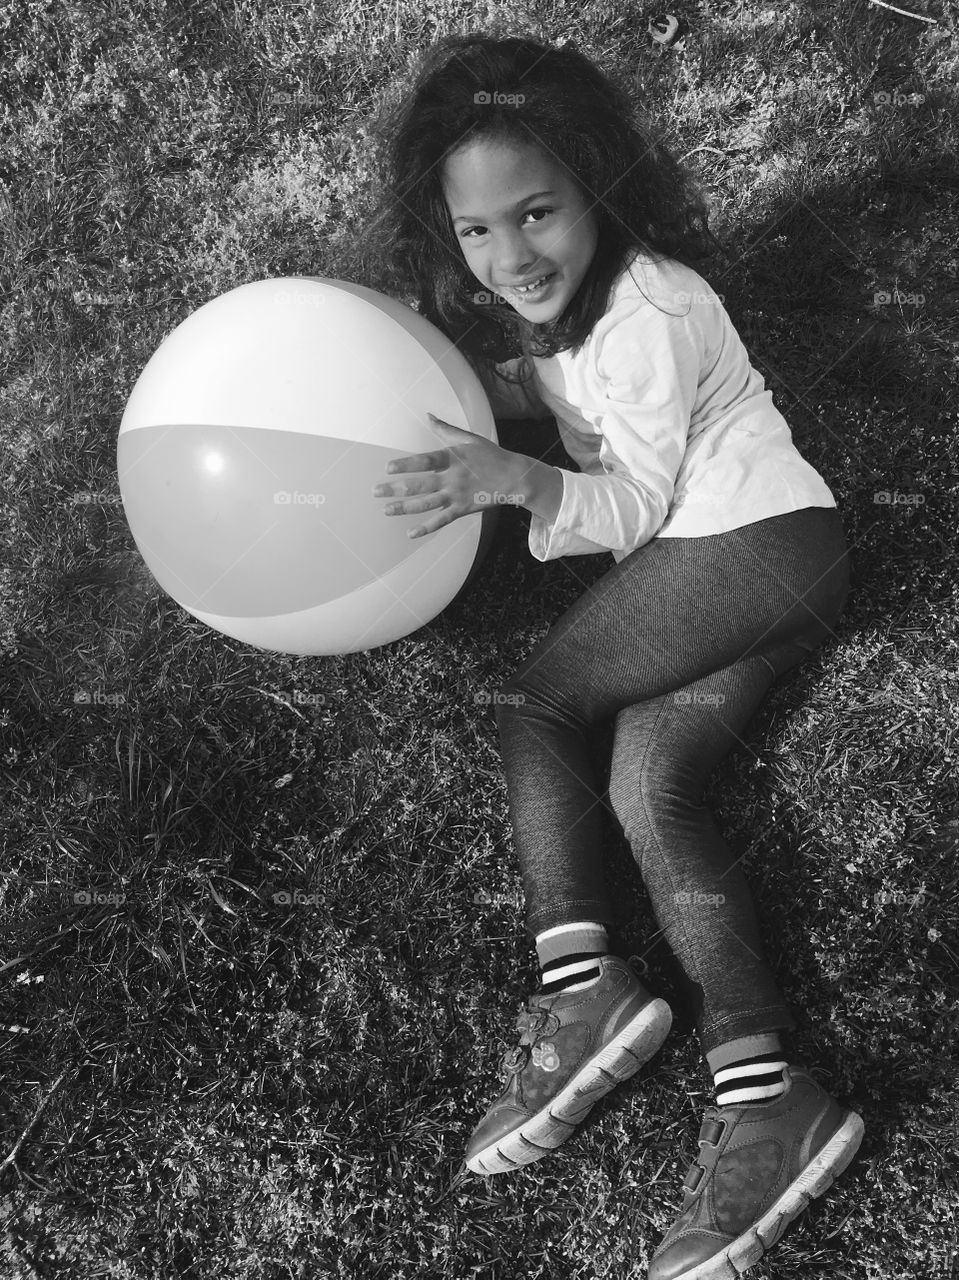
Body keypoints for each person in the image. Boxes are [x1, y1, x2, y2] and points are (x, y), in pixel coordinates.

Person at [365, 32, 864, 1280]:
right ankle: (768, 1089)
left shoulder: (651, 308)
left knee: (537, 703)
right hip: (763, 563)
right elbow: (559, 390)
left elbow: (629, 505)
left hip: (750, 539)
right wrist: (473, 398)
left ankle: (579, 975)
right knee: (652, 783)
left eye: (535, 213)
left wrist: (518, 479)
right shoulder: (566, 310)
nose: (509, 254)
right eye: (475, 231)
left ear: (599, 185)